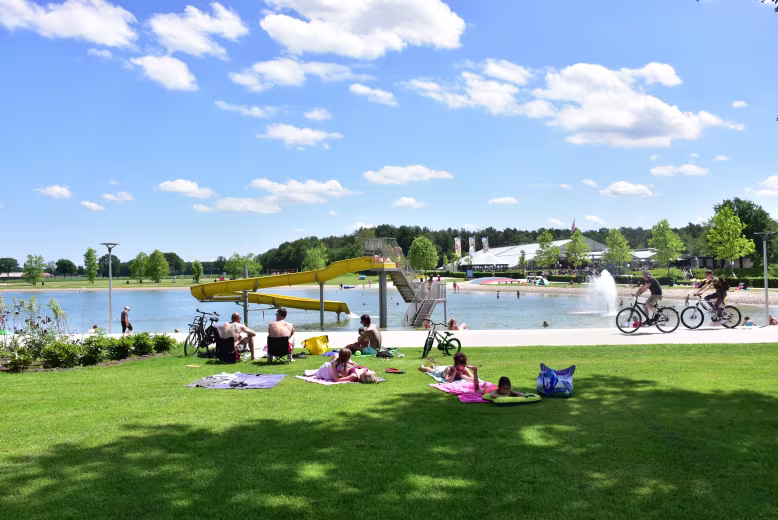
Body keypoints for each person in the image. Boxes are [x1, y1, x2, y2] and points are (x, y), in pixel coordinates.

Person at [305, 349, 379, 383]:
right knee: (336, 355)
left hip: (331, 370)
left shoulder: (354, 376)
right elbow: (373, 374)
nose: (367, 369)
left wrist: (334, 367)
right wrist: (351, 362)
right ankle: (318, 370)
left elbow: (337, 380)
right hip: (339, 365)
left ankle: (318, 371)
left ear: (365, 376)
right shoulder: (364, 370)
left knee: (334, 359)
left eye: (368, 371)